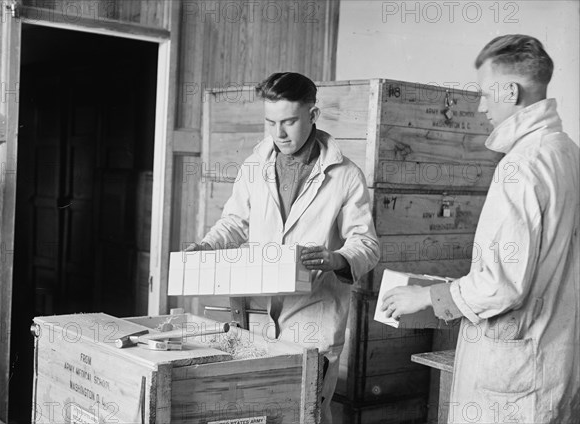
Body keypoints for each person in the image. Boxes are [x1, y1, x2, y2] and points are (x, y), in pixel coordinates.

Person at [380, 34, 579, 423]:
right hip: (554, 362)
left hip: (515, 380)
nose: (482, 105)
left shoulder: (522, 165)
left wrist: (424, 297)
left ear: (509, 90)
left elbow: (501, 285)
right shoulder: (567, 152)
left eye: (487, 93)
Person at [187, 72, 380, 422]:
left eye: (289, 121)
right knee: (259, 411)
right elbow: (235, 222)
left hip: (313, 316)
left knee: (306, 413)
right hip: (259, 314)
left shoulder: (345, 175)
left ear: (313, 115)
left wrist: (336, 258)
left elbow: (366, 244)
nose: (279, 133)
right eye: (271, 122)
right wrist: (206, 245)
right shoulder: (254, 166)